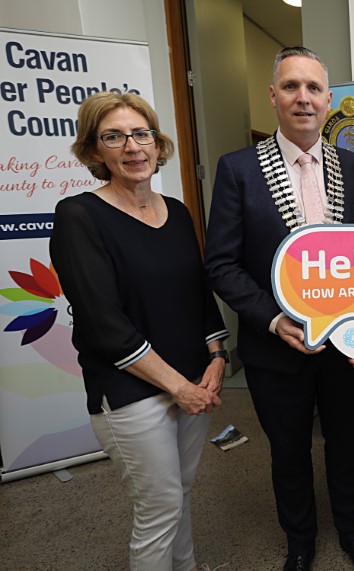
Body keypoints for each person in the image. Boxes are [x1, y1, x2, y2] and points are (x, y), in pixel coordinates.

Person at [204, 47, 354, 571]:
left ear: (329, 100)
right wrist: (274, 318)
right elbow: (221, 264)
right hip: (273, 342)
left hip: (345, 343)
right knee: (287, 451)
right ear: (273, 96)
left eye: (313, 88)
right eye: (291, 87)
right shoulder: (237, 169)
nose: (302, 98)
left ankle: (353, 532)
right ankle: (299, 541)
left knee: (347, 445)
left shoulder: (353, 166)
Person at [50, 92, 229, 571]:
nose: (132, 147)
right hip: (132, 390)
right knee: (159, 507)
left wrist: (217, 357)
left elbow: (198, 294)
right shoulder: (78, 215)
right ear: (93, 152)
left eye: (141, 133)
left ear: (156, 142)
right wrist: (179, 387)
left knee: (180, 494)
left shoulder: (178, 211)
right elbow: (104, 325)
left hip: (193, 379)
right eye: (114, 136)